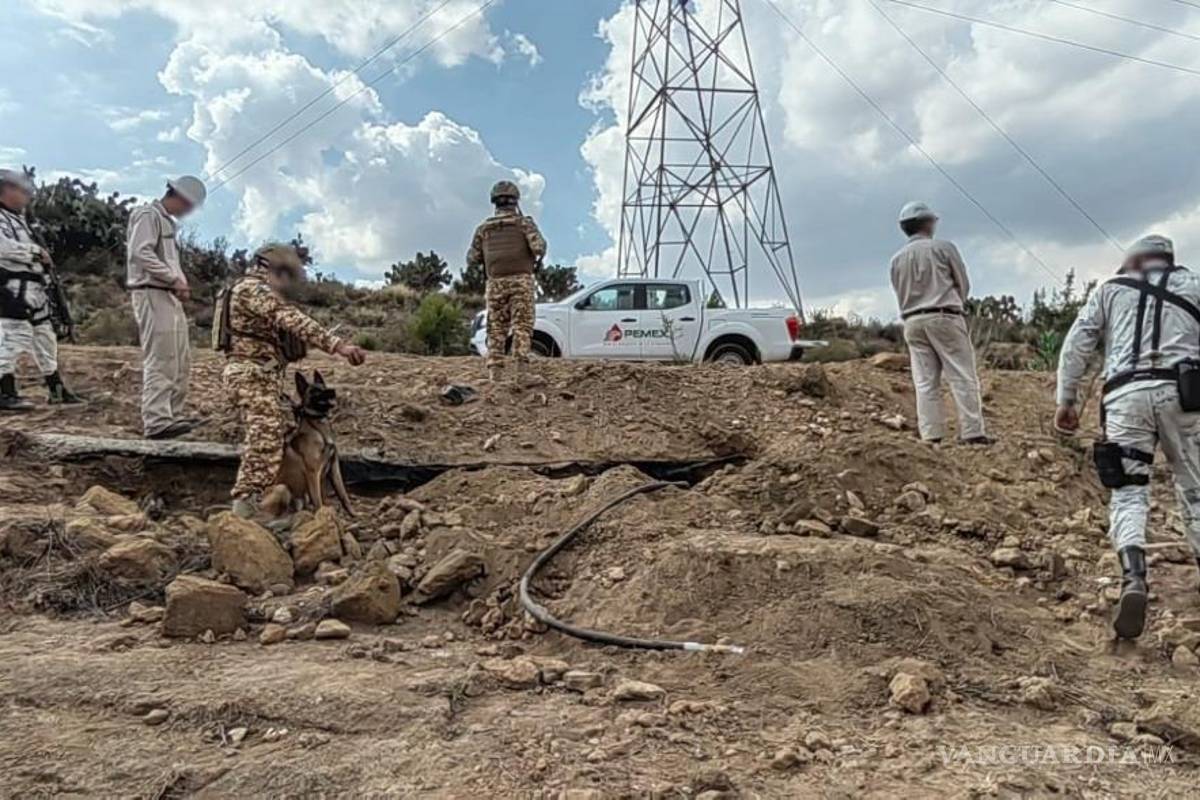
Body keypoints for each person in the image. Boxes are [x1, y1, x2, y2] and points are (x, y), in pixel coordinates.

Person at [1056, 234, 1200, 640]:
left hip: (1123, 398)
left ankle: (1134, 578)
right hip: (1185, 395)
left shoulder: (1110, 290)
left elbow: (1076, 345)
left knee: (1129, 491)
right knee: (1194, 486)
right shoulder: (1195, 285)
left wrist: (1067, 401)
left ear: (1133, 262)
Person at [221, 243, 366, 519]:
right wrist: (337, 346)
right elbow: (289, 318)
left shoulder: (251, 291)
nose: (287, 284)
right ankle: (244, 510)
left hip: (263, 375)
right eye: (286, 275)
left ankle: (279, 501)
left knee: (281, 432)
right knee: (264, 437)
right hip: (250, 374)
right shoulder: (251, 289)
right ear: (271, 268)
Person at [890, 201, 989, 445]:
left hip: (912, 320)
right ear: (928, 222)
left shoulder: (896, 259)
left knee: (924, 382)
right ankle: (972, 432)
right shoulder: (944, 248)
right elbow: (962, 283)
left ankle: (931, 435)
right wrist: (957, 303)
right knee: (962, 374)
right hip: (944, 314)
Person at [126, 175, 206, 440]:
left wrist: (178, 282)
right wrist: (172, 278)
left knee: (180, 358)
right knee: (162, 358)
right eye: (190, 205)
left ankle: (172, 414)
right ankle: (157, 419)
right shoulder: (147, 215)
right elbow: (141, 252)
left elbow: (167, 260)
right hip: (151, 292)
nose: (189, 212)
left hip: (167, 293)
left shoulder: (166, 223)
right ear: (180, 197)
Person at [0, 169, 82, 411]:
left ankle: (57, 390)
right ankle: (4, 393)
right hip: (10, 287)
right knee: (11, 337)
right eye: (22, 190)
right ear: (6, 189)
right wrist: (35, 253)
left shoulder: (19, 219)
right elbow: (3, 248)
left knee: (45, 337)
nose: (27, 195)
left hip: (35, 288)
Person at [466, 180, 547, 382]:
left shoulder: (483, 229)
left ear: (495, 202)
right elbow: (540, 248)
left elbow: (472, 259)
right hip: (521, 281)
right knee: (522, 326)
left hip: (495, 283)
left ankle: (495, 374)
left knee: (496, 327)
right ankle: (521, 374)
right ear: (515, 201)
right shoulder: (523, 223)